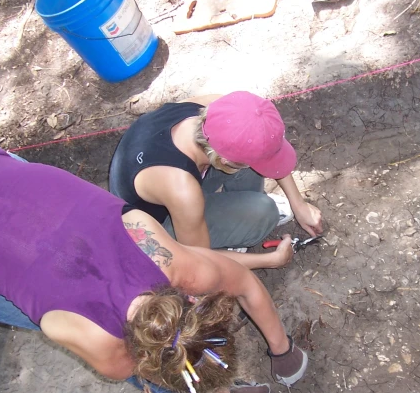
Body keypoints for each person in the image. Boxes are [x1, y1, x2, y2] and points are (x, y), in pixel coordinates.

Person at [0, 140, 309, 393]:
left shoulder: (170, 260)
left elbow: (246, 285)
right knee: (14, 289)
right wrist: (219, 385)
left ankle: (199, 386)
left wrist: (282, 348)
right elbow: (145, 363)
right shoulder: (96, 342)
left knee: (21, 269)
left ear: (196, 301)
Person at [108, 91, 324, 270]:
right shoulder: (182, 189)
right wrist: (269, 261)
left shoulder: (216, 112)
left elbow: (265, 145)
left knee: (252, 157)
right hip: (154, 228)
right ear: (224, 160)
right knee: (264, 211)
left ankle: (234, 217)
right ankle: (232, 236)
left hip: (175, 185)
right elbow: (198, 260)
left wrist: (299, 204)